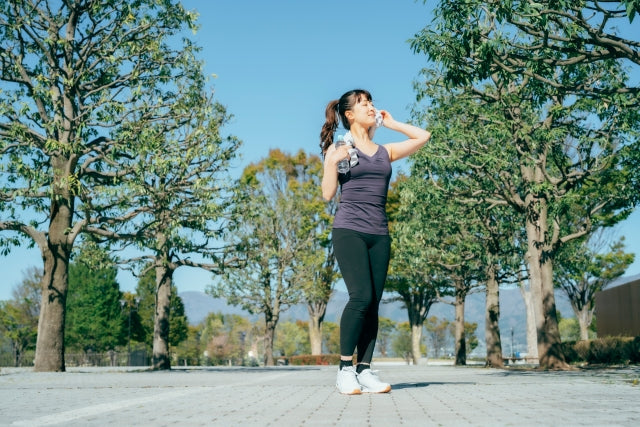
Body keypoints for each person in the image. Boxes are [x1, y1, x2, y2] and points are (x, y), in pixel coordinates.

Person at [319, 89, 431, 394]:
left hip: (379, 234)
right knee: (361, 297)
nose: (370, 106)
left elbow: (423, 136)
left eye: (370, 102)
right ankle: (344, 371)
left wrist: (392, 123)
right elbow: (328, 194)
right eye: (362, 104)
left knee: (373, 304)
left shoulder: (385, 152)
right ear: (349, 115)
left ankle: (365, 370)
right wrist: (332, 162)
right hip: (350, 230)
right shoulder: (340, 149)